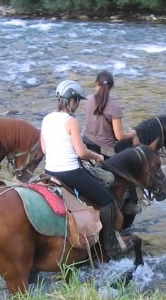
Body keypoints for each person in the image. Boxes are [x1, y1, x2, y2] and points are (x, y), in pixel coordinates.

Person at [41, 79, 126, 260]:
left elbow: (44, 149)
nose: (78, 105)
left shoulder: (47, 118)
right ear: (72, 101)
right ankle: (108, 243)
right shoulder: (71, 121)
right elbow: (80, 152)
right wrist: (95, 156)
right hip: (70, 172)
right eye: (77, 101)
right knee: (107, 199)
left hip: (49, 172)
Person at [83, 70, 138, 157]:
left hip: (86, 142)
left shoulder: (87, 100)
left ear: (97, 84)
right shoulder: (114, 107)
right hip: (105, 150)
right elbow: (119, 136)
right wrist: (132, 134)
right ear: (111, 87)